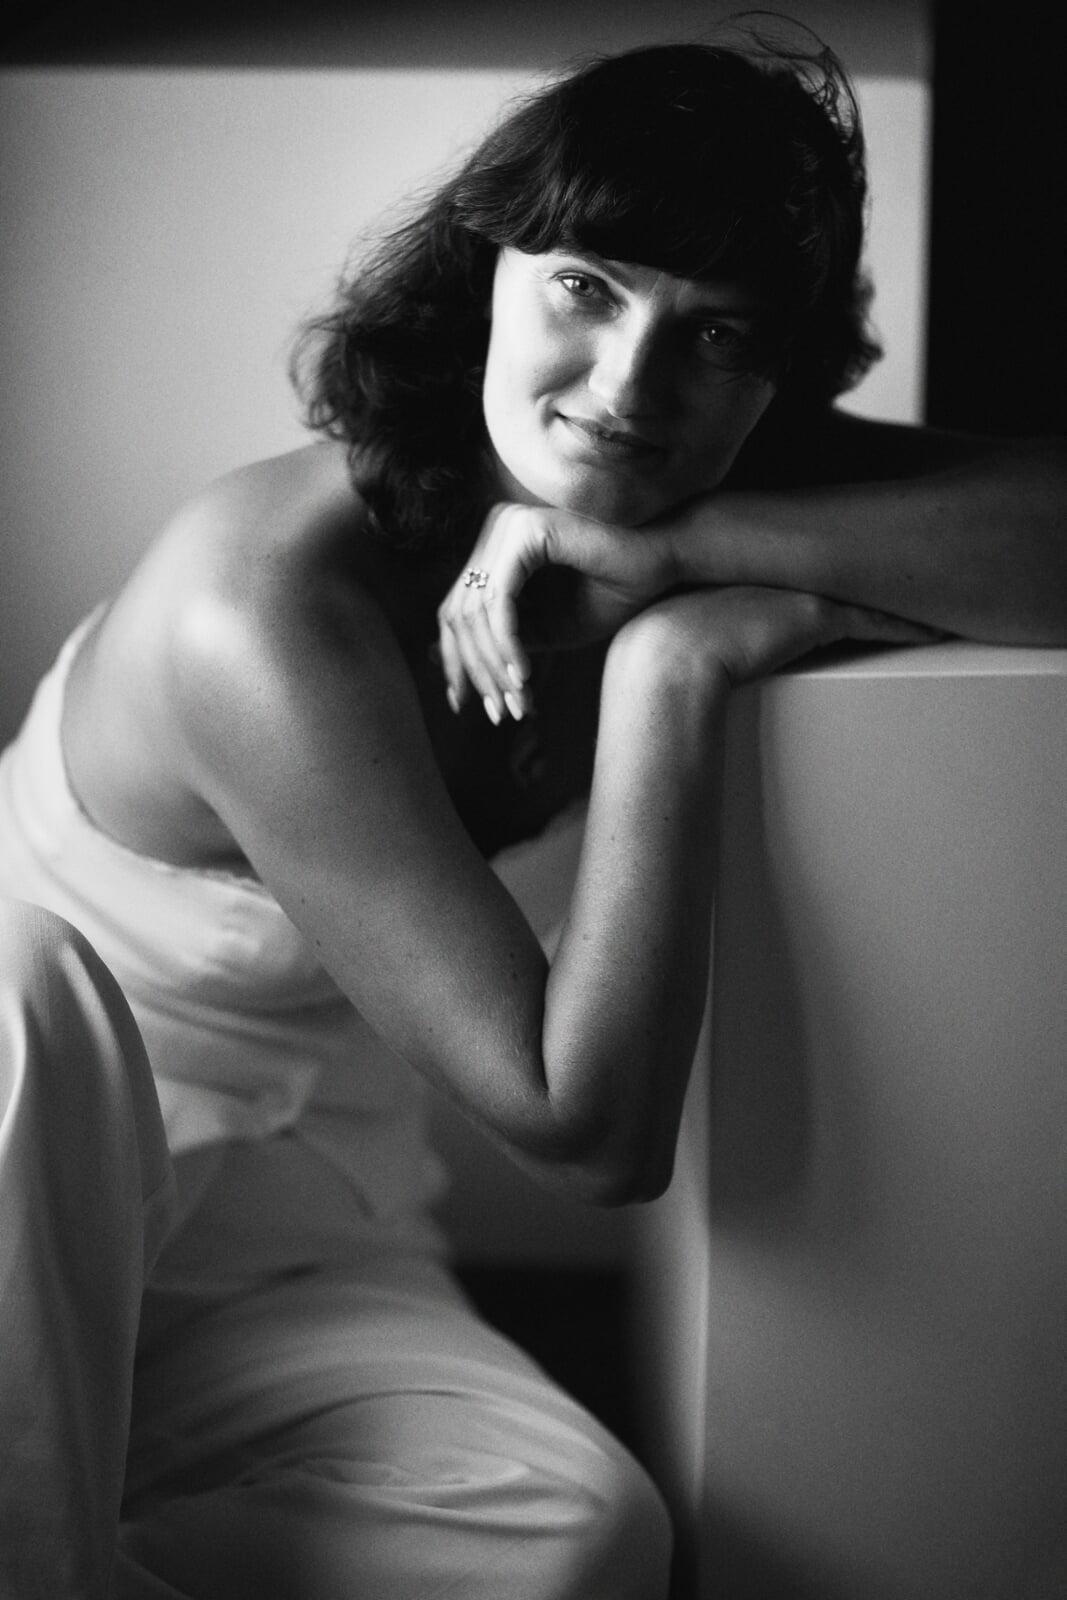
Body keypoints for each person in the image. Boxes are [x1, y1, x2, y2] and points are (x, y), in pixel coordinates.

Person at [1, 28, 1063, 1600]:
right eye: (584, 286)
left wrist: (681, 580)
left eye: (719, 333)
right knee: (21, 983)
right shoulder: (265, 606)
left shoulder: (683, 488)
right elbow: (587, 1129)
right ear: (483, 272)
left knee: (574, 1534)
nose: (629, 387)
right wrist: (673, 685)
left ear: (777, 366)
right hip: (29, 1166)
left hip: (297, 1235)